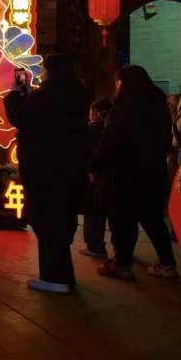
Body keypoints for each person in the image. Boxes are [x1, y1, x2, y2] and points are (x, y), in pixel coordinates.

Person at [5, 55, 92, 293]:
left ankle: (54, 277)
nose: (41, 74)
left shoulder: (48, 97)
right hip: (71, 168)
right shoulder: (78, 95)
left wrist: (16, 94)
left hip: (45, 168)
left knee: (47, 220)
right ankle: (63, 275)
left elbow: (19, 117)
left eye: (43, 70)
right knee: (62, 220)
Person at [91, 65, 179, 281]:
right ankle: (168, 264)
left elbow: (108, 142)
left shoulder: (123, 110)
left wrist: (94, 166)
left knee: (123, 221)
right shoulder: (159, 108)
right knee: (153, 220)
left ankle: (122, 264)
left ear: (124, 84)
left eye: (118, 82)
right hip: (151, 173)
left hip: (122, 174)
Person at [80, 98, 112, 259]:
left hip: (92, 177)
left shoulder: (91, 131)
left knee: (92, 212)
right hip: (108, 178)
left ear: (96, 113)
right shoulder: (112, 130)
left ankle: (94, 245)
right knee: (103, 213)